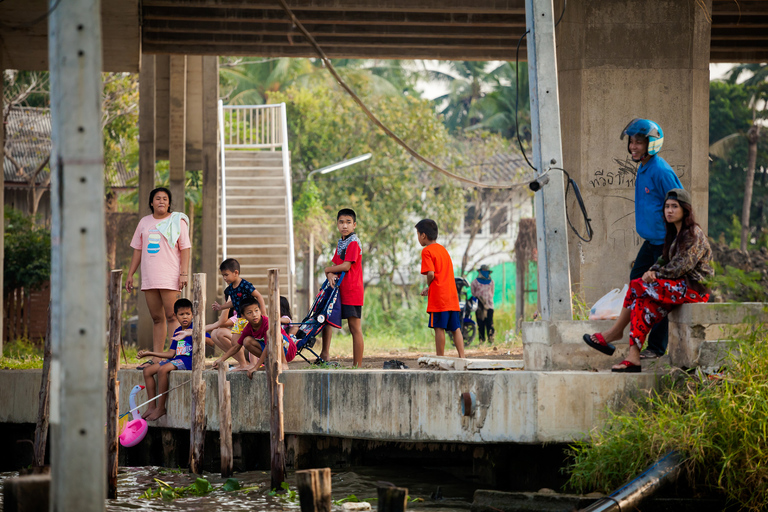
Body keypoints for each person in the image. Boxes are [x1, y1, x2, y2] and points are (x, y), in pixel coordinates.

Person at [583, 189, 713, 372]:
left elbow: (680, 267)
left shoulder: (693, 234)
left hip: (694, 289)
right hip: (677, 287)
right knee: (642, 303)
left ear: (685, 210)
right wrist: (652, 270)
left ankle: (614, 332)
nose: (669, 211)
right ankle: (633, 357)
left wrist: (655, 275)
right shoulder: (674, 235)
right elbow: (663, 260)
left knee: (637, 285)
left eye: (675, 207)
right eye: (667, 207)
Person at [619, 118, 683, 359]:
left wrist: (676, 241)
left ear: (652, 144)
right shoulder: (643, 167)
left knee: (659, 292)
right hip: (651, 241)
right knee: (636, 280)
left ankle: (656, 347)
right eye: (631, 142)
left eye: (639, 142)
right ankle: (634, 337)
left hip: (665, 243)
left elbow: (681, 202)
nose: (633, 147)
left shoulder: (661, 170)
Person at [127, 187, 191, 369]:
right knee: (157, 318)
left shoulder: (177, 220)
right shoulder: (144, 222)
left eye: (165, 198)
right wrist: (131, 274)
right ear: (151, 202)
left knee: (172, 316)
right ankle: (156, 358)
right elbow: (138, 249)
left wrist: (183, 273)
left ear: (169, 203)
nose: (161, 201)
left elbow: (185, 247)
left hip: (170, 275)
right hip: (149, 276)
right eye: (157, 198)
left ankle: (175, 356)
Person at [318, 208, 365, 367]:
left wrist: (327, 270)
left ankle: (356, 365)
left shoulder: (353, 242)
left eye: (348, 222)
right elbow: (335, 265)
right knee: (326, 319)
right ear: (337, 224)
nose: (344, 225)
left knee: (354, 327)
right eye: (341, 222)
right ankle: (324, 354)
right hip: (339, 290)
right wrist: (330, 274)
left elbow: (344, 266)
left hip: (352, 290)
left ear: (354, 225)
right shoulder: (341, 242)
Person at [137, 298, 195, 420]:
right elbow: (170, 354)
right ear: (176, 316)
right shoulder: (178, 331)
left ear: (193, 314)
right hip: (176, 360)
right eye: (181, 314)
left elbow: (210, 342)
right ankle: (152, 406)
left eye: (188, 314)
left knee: (162, 370)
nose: (185, 317)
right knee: (147, 371)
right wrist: (149, 353)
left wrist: (194, 333)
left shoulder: (196, 328)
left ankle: (161, 407)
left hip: (188, 361)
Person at [213, 297, 297, 379]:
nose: (254, 315)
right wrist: (221, 360)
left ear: (260, 311)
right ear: (243, 316)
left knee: (274, 335)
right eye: (249, 313)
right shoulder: (248, 327)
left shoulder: (267, 323)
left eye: (256, 311)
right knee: (247, 341)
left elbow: (269, 345)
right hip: (271, 350)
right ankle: (270, 365)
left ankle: (283, 364)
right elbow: (236, 347)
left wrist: (256, 367)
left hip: (288, 349)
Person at [416, 219, 465, 358]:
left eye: (418, 234)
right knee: (456, 328)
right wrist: (428, 288)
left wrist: (429, 285)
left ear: (423, 235)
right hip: (451, 296)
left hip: (439, 298)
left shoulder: (427, 251)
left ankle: (440, 357)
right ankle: (462, 357)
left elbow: (431, 273)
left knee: (439, 328)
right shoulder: (443, 250)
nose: (418, 237)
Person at [211, 258, 266, 371]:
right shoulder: (230, 289)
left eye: (226, 275)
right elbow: (233, 302)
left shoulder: (245, 284)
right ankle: (243, 363)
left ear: (236, 273)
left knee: (250, 339)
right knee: (235, 341)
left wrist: (263, 315)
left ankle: (254, 363)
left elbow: (259, 296)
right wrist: (221, 307)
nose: (225, 278)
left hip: (250, 318)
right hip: (240, 319)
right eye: (223, 275)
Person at [471, 264, 495, 343]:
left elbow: (492, 293)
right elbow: (473, 293)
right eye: (483, 271)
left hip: (489, 306)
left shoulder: (491, 282)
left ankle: (490, 339)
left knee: (489, 323)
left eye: (486, 271)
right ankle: (482, 340)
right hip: (479, 307)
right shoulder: (475, 282)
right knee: (480, 324)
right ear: (480, 271)